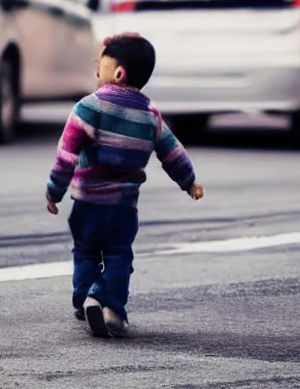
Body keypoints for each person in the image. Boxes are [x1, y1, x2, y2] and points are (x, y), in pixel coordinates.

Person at [45, 32, 204, 338]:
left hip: (87, 204)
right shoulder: (150, 116)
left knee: (86, 252)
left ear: (117, 73)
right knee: (119, 256)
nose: (95, 71)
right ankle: (111, 306)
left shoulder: (87, 108)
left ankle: (85, 299)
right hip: (123, 207)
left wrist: (54, 191)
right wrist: (190, 182)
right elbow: (173, 153)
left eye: (99, 65)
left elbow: (66, 156)